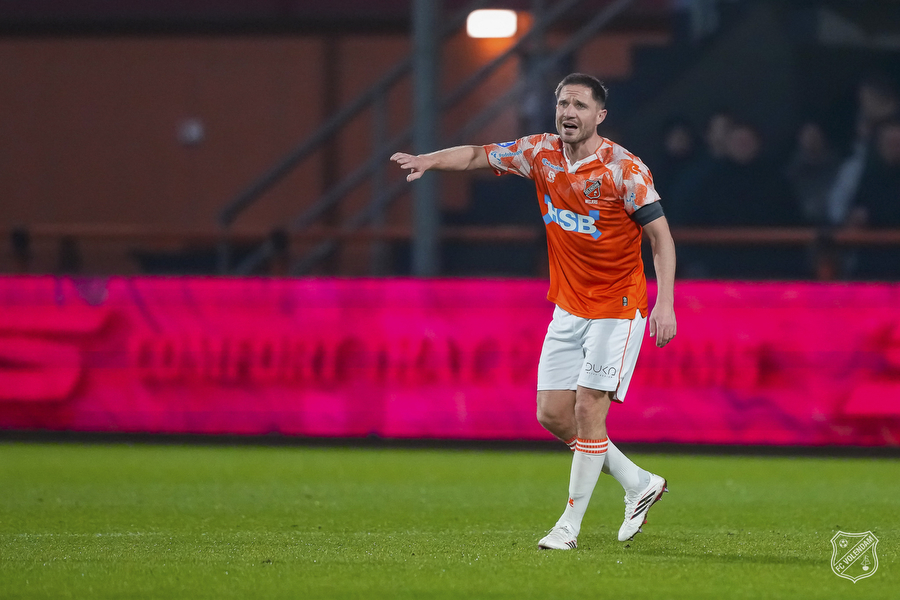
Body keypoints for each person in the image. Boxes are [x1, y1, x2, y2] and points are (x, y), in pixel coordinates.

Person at [391, 73, 677, 550]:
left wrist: (664, 303)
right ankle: (638, 483)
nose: (569, 112)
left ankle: (569, 526)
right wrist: (429, 161)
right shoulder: (540, 153)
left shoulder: (624, 170)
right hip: (568, 307)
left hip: (618, 307)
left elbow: (661, 239)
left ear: (600, 115)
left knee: (588, 408)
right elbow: (478, 154)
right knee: (552, 414)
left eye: (580, 105)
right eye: (563, 103)